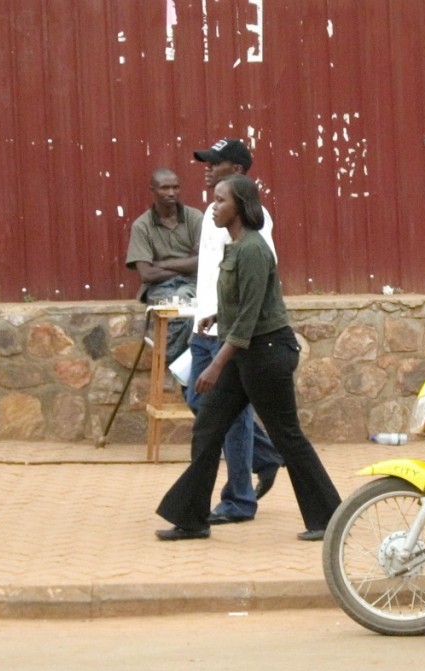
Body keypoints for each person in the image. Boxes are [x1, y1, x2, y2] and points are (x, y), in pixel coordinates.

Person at [155, 173, 341, 542]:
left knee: (287, 435)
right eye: (213, 199)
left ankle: (328, 518)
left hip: (267, 354)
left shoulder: (254, 248)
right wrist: (217, 316)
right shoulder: (236, 246)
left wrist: (215, 364)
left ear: (240, 206)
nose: (213, 206)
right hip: (247, 353)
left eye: (221, 200)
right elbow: (242, 303)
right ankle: (192, 519)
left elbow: (253, 315)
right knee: (207, 429)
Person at [185, 138, 284, 526]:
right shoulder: (214, 212)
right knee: (198, 400)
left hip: (229, 335)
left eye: (215, 163)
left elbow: (259, 277)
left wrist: (233, 332)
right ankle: (264, 456)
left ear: (239, 171)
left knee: (233, 414)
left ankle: (239, 499)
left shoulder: (247, 220)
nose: (207, 168)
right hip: (204, 324)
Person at [125, 168, 202, 365]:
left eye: (175, 187)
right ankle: (179, 362)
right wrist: (187, 263)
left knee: (190, 304)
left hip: (193, 283)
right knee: (183, 305)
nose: (171, 193)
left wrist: (160, 264)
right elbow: (146, 274)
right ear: (153, 190)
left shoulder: (195, 218)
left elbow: (202, 262)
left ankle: (173, 358)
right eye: (165, 188)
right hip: (158, 288)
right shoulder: (141, 226)